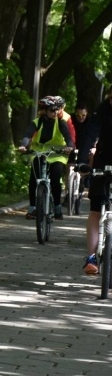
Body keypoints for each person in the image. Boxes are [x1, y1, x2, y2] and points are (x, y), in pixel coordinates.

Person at [17, 96, 74, 220]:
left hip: (57, 153)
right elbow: (28, 134)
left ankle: (57, 207)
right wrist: (23, 145)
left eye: (57, 109)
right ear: (44, 111)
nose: (55, 112)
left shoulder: (61, 122)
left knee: (55, 177)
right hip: (40, 152)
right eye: (52, 110)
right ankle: (32, 207)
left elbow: (67, 136)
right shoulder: (37, 122)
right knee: (34, 178)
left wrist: (70, 146)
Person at [77, 92, 112, 275]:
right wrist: (82, 161)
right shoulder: (102, 111)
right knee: (96, 209)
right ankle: (91, 257)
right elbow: (89, 134)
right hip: (103, 160)